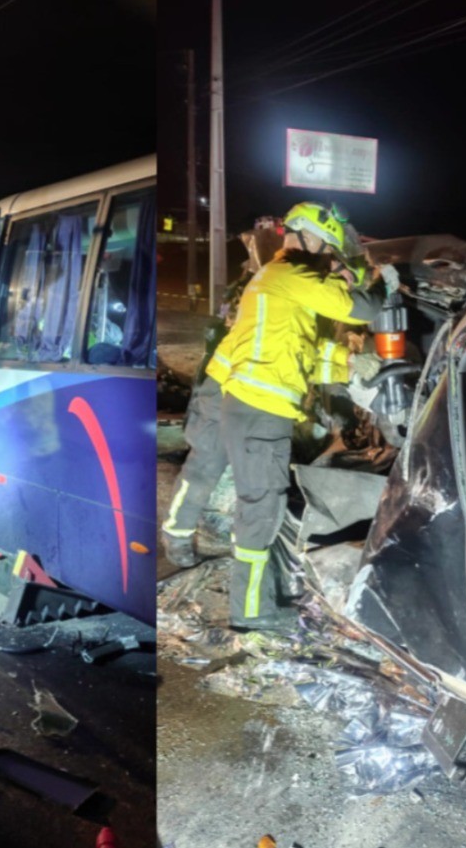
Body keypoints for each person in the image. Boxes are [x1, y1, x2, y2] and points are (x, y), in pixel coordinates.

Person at [165, 201, 391, 632]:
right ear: (306, 235)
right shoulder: (291, 274)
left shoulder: (283, 281)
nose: (331, 262)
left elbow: (304, 355)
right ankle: (251, 611)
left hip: (241, 397)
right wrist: (382, 285)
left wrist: (350, 363)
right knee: (258, 506)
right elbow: (362, 310)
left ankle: (180, 540)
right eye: (328, 249)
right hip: (256, 406)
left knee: (211, 473)